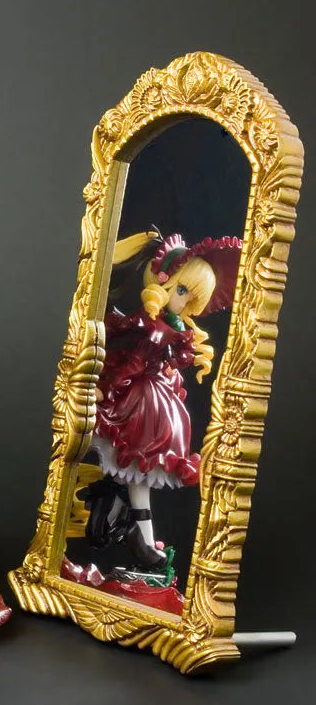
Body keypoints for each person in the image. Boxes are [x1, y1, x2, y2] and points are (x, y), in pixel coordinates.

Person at [79, 231, 242, 572]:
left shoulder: (173, 326)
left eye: (191, 298)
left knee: (136, 474)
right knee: (135, 470)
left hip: (154, 402)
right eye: (181, 290)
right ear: (163, 281)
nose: (183, 302)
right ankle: (138, 533)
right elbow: (133, 363)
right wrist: (108, 389)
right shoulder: (155, 327)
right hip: (139, 403)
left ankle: (130, 526)